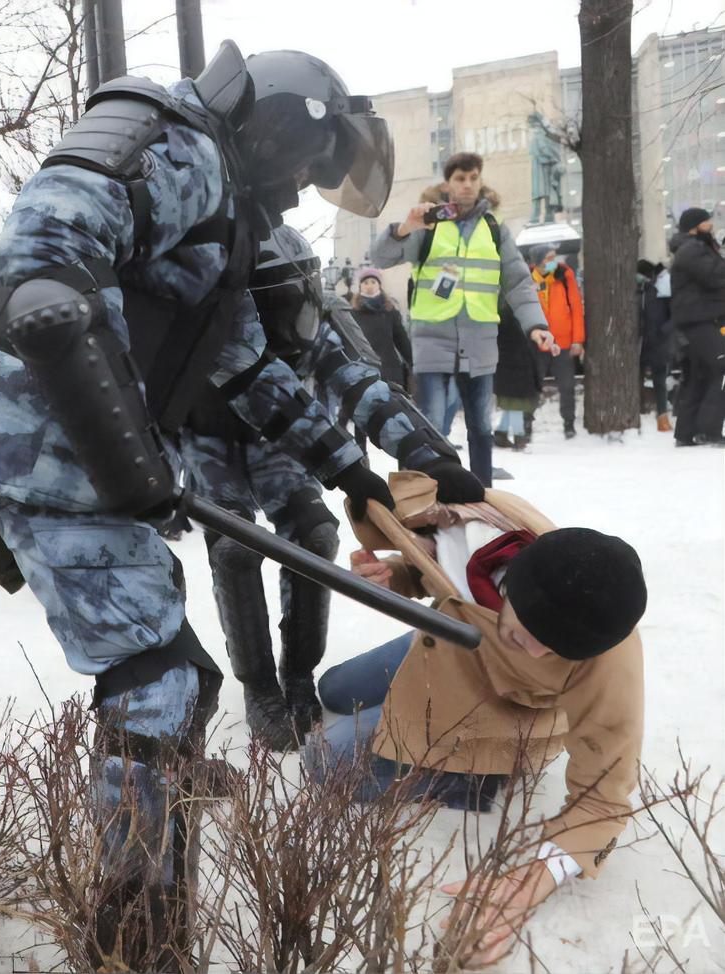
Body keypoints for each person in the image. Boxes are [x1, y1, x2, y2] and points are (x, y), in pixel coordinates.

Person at [0, 44, 401, 965]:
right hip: (46, 446)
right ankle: (140, 935)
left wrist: (351, 470)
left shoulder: (219, 202)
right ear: (276, 126)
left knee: (177, 675)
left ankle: (161, 798)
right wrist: (130, 466)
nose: (308, 187)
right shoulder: (173, 141)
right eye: (309, 162)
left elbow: (244, 363)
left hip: (63, 449)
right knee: (155, 685)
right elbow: (44, 275)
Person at [305, 471, 646, 968]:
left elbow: (605, 797)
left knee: (325, 761)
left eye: (553, 649)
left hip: (498, 706)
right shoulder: (499, 535)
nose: (535, 648)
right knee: (332, 687)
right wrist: (397, 574)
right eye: (529, 629)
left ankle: (476, 780)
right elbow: (439, 565)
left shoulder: (609, 655)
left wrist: (533, 880)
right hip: (452, 637)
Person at [181, 226, 479, 750]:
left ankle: (297, 672)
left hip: (287, 444)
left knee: (314, 536)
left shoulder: (315, 320)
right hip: (211, 444)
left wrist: (428, 454)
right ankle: (258, 687)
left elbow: (362, 385)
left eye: (294, 293)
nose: (289, 309)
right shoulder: (204, 317)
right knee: (234, 548)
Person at [371, 152, 558, 485]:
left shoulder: (494, 229)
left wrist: (537, 326)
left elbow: (517, 283)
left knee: (481, 427)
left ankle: (481, 491)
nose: (467, 185)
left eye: (473, 178)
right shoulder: (428, 224)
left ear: (480, 180)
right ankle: (429, 494)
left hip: (480, 343)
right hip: (433, 341)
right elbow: (381, 257)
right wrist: (404, 228)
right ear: (447, 184)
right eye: (460, 178)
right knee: (432, 426)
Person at [668, 207, 725, 446]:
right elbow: (714, 276)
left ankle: (686, 432)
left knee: (699, 375)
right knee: (721, 368)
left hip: (698, 320)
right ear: (694, 227)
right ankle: (709, 430)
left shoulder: (695, 248)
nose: (710, 226)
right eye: (706, 222)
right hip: (699, 320)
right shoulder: (692, 250)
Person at [528, 246, 585, 438]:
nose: (554, 260)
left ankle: (569, 424)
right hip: (538, 342)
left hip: (563, 342)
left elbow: (576, 309)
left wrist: (578, 340)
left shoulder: (565, 277)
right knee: (533, 386)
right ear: (538, 261)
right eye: (549, 257)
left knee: (567, 386)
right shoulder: (528, 280)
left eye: (554, 256)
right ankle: (527, 424)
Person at [351, 267, 412, 389]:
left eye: (373, 282)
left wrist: (412, 362)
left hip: (389, 370)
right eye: (365, 283)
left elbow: (401, 340)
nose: (369, 286)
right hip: (363, 372)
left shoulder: (390, 312)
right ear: (360, 286)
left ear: (379, 285)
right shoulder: (353, 314)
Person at [492, 304, 541, 451]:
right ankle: (519, 439)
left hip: (512, 365)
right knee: (516, 405)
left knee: (513, 405)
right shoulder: (512, 315)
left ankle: (501, 433)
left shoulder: (507, 313)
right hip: (513, 365)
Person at [638, 259, 674, 432]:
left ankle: (662, 416)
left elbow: (673, 315)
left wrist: (664, 331)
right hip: (640, 343)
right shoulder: (639, 291)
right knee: (635, 379)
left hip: (658, 342)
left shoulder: (659, 290)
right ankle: (638, 414)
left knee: (659, 381)